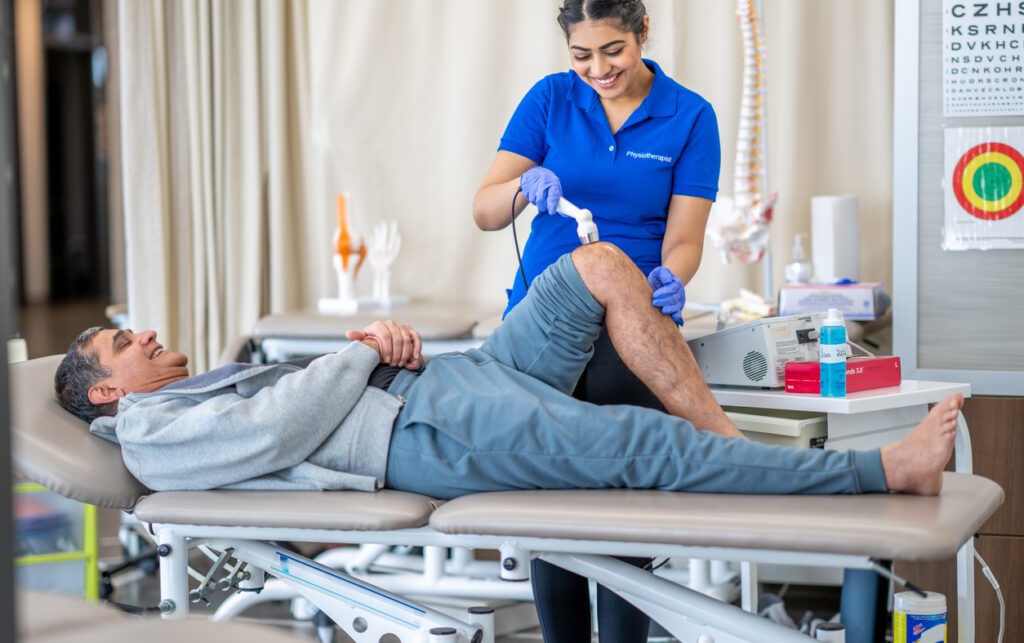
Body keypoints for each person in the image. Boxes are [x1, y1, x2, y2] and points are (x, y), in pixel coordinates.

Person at [57, 243, 957, 509]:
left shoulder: (183, 394)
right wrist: (366, 345)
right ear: (107, 391)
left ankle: (723, 436)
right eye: (124, 342)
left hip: (448, 378)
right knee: (641, 444)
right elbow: (273, 430)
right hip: (419, 430)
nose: (147, 336)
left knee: (598, 266)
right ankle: (881, 471)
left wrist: (376, 351)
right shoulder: (149, 434)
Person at [472, 0, 721, 639]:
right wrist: (525, 184)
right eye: (582, 55)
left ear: (644, 32)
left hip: (632, 321)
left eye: (613, 50)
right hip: (543, 324)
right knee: (550, 499)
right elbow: (485, 210)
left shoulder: (689, 116)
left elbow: (686, 238)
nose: (598, 69)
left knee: (621, 493)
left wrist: (671, 276)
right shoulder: (551, 100)